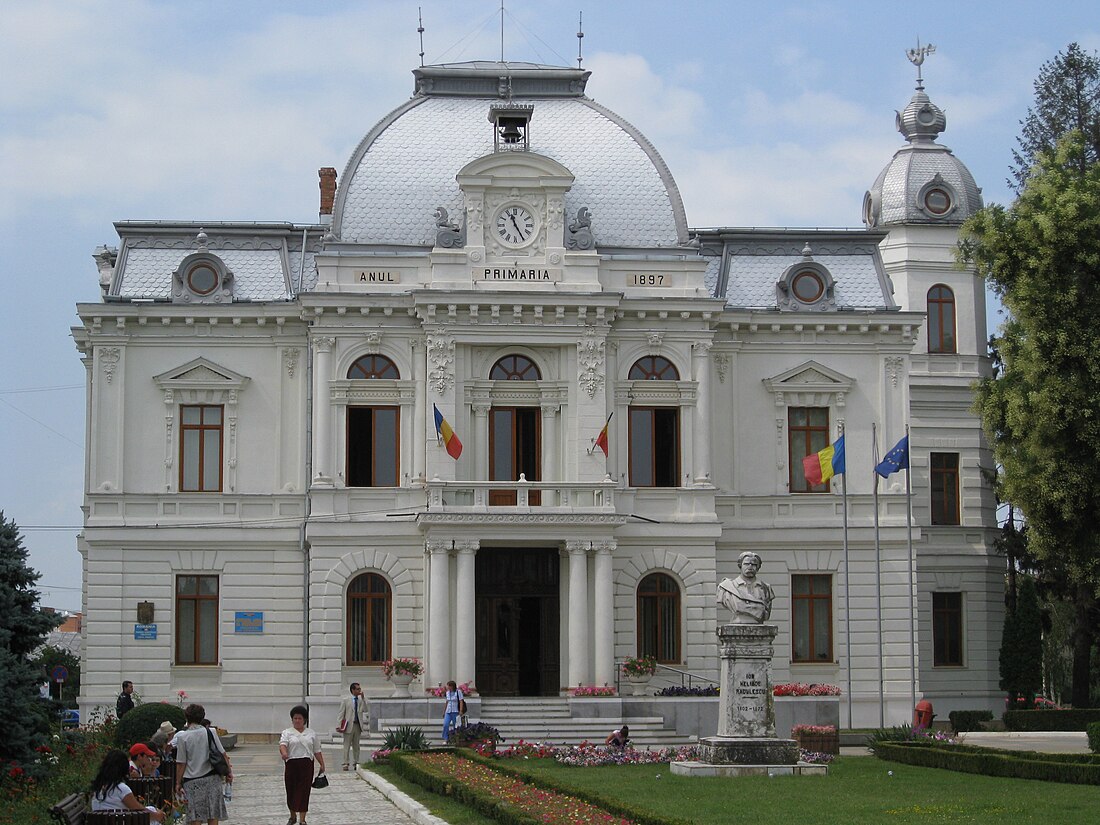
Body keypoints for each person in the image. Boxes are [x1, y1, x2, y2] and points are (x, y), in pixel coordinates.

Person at [174, 703, 229, 825]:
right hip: (212, 777)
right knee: (212, 813)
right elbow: (222, 753)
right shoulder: (211, 732)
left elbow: (181, 763)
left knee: (195, 815)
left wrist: (178, 783)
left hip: (192, 781)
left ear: (187, 718)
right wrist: (228, 772)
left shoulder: (183, 737)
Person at [280, 704, 326, 825]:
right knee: (291, 790)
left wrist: (322, 764)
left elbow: (317, 750)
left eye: (299, 718)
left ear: (304, 720)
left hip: (306, 765)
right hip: (292, 764)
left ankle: (302, 819)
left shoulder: (311, 733)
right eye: (295, 718)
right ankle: (292, 816)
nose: (297, 721)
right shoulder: (287, 732)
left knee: (304, 791)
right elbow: (283, 744)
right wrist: (284, 753)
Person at [90, 749, 166, 822]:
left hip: (103, 821)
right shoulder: (121, 788)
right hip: (120, 821)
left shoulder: (99, 786)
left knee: (151, 809)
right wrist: (157, 816)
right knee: (153, 816)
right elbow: (137, 808)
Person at [717, 551, 775, 624]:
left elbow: (766, 613)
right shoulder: (727, 587)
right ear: (740, 565)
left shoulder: (766, 588)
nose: (750, 567)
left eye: (754, 564)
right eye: (746, 564)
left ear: (758, 567)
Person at [337, 682, 369, 770]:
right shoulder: (346, 700)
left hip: (357, 725)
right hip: (348, 725)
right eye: (358, 689)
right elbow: (341, 713)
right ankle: (345, 763)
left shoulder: (360, 700)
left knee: (356, 745)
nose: (359, 690)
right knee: (346, 745)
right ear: (353, 690)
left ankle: (356, 762)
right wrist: (339, 725)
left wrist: (363, 699)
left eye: (360, 689)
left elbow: (365, 710)